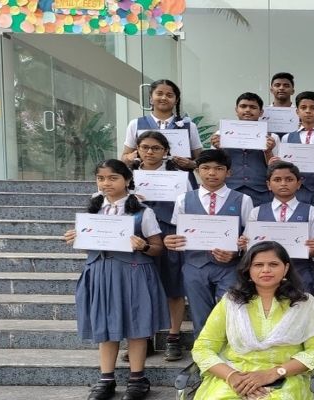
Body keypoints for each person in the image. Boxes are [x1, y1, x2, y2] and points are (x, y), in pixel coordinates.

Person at [63, 159, 169, 400]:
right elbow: (91, 244)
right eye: (101, 179)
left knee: (136, 327)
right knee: (105, 325)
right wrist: (76, 238)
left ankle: (137, 379)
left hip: (133, 273)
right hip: (100, 273)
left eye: (113, 178)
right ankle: (106, 379)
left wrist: (143, 246)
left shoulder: (143, 212)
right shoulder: (93, 210)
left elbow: (157, 248)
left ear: (127, 180)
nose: (106, 183)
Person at [191, 241, 314, 400]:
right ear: (248, 270)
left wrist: (274, 373)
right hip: (236, 377)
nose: (266, 270)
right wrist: (232, 376)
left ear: (285, 268)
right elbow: (203, 348)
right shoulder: (231, 303)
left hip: (286, 378)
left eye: (273, 264)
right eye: (258, 265)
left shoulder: (304, 303)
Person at [164, 149, 254, 337]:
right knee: (200, 316)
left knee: (231, 314)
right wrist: (170, 241)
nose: (212, 173)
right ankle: (203, 354)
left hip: (229, 267)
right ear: (197, 171)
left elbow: (250, 238)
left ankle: (231, 353)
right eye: (206, 168)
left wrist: (237, 251)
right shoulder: (183, 199)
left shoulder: (243, 200)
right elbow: (177, 232)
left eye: (218, 168)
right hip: (194, 265)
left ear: (229, 172)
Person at [130, 131, 190, 362]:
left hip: (169, 232)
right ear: (137, 149)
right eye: (145, 147)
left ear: (165, 151)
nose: (150, 152)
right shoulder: (128, 176)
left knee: (174, 287)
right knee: (141, 288)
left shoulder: (179, 176)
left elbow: (189, 205)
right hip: (139, 236)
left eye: (156, 148)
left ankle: (173, 337)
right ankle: (143, 338)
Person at [246, 161, 314, 296]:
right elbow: (249, 245)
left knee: (300, 307)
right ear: (268, 185)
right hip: (266, 275)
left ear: (299, 183)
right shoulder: (256, 212)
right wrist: (244, 244)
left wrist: (313, 249)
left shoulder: (312, 212)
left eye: (289, 179)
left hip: (300, 273)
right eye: (277, 180)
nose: (283, 183)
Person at [121, 79, 202, 189]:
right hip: (144, 183)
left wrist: (191, 164)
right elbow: (124, 158)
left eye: (169, 95)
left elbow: (200, 159)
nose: (164, 98)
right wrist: (131, 157)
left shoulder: (189, 126)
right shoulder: (135, 124)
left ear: (176, 100)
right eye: (159, 94)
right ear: (151, 98)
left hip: (180, 182)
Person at [211, 92, 280, 205]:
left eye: (253, 107)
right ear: (236, 110)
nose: (248, 110)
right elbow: (213, 166)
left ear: (261, 112)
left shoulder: (272, 137)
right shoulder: (220, 135)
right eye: (243, 106)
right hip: (229, 190)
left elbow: (276, 168)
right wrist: (218, 149)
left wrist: (268, 151)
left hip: (261, 192)